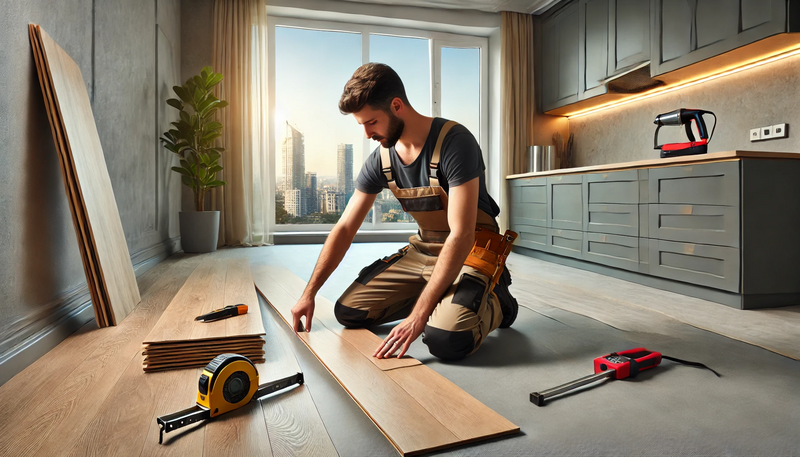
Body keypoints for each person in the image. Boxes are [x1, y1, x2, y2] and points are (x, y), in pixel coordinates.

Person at [290, 63, 518, 361]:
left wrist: (419, 317)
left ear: (397, 106)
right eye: (361, 125)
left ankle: (498, 300)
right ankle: (441, 296)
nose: (367, 133)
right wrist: (309, 294)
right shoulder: (381, 159)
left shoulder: (454, 142)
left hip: (472, 250)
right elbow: (345, 228)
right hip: (424, 252)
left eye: (371, 122)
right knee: (349, 312)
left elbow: (461, 235)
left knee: (446, 340)